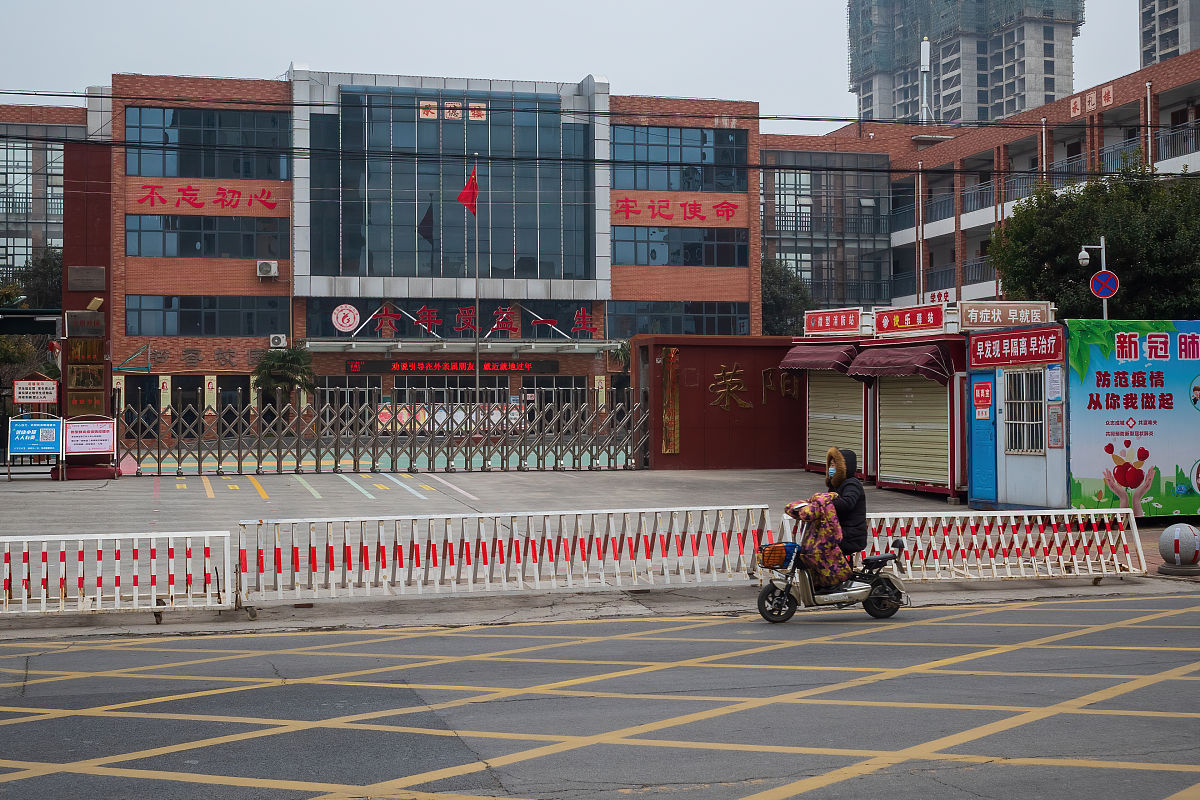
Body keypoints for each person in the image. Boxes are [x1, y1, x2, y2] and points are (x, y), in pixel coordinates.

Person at [825, 447, 867, 557]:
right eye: (830, 465)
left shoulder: (852, 484)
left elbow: (847, 503)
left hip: (851, 535)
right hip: (839, 531)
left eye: (834, 465)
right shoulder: (835, 485)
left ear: (843, 468)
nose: (831, 468)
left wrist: (824, 504)